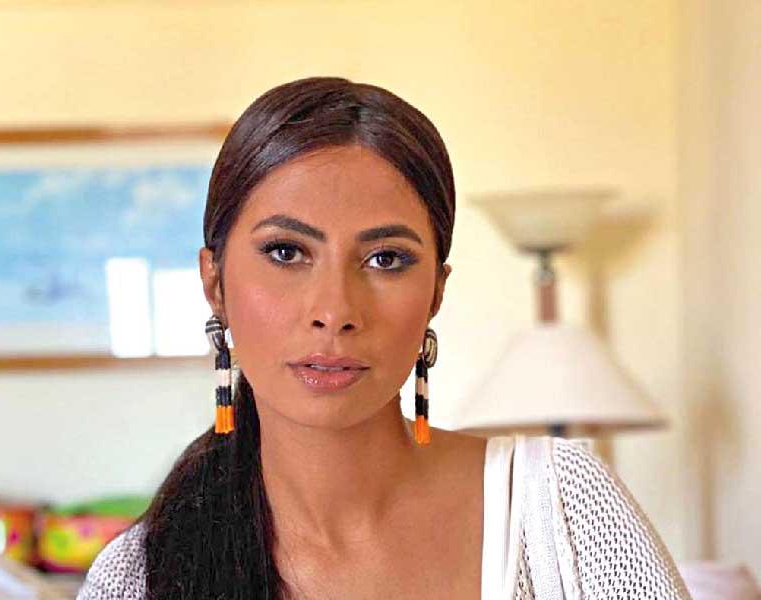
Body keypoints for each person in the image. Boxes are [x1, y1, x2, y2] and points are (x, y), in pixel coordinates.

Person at [76, 77, 692, 599]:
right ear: (214, 282)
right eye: (286, 252)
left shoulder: (561, 511)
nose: (334, 311)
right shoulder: (138, 578)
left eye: (386, 259)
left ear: (436, 292)